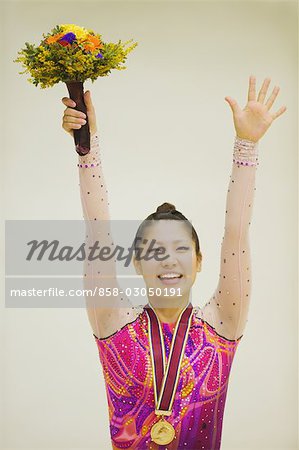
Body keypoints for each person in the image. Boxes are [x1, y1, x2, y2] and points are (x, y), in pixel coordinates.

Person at [61, 76, 286, 449]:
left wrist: (247, 145)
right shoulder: (114, 322)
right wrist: (87, 147)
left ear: (199, 262)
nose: (168, 259)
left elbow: (236, 233)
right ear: (135, 262)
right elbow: (97, 231)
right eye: (154, 249)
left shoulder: (221, 326)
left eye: (182, 249)